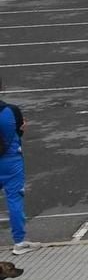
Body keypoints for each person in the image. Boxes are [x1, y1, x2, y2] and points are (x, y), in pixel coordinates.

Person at [0, 98, 27, 256]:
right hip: (11, 162)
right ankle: (19, 242)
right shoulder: (12, 110)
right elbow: (20, 130)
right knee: (14, 200)